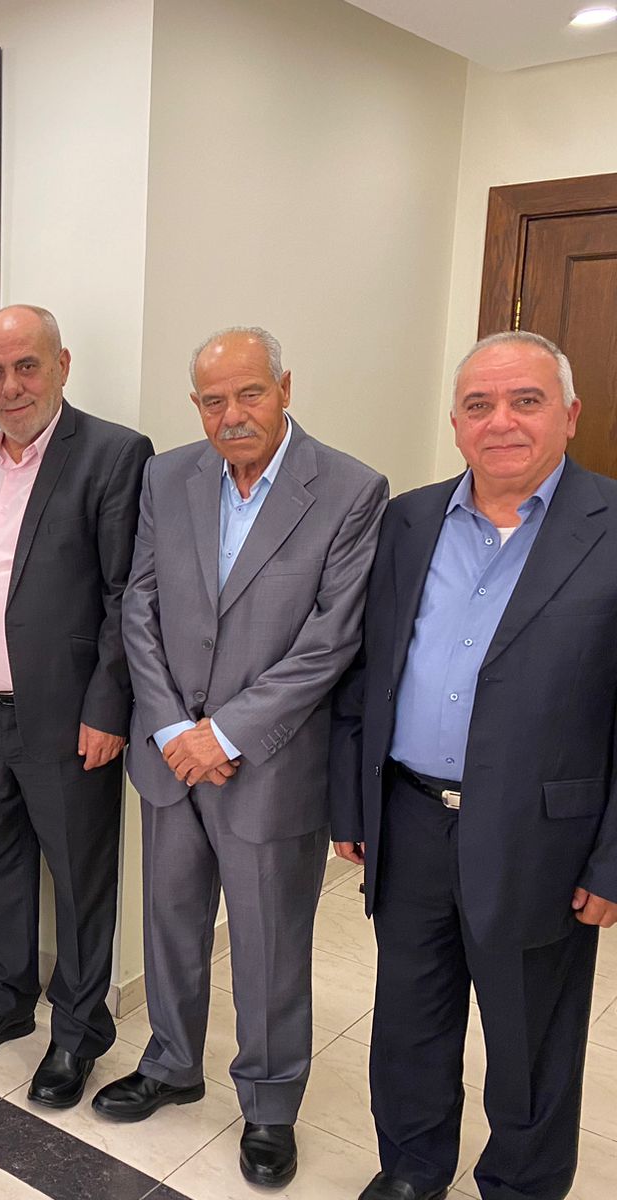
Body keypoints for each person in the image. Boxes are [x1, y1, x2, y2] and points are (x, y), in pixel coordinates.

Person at [96, 327, 387, 1189]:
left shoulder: (350, 490)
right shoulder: (167, 476)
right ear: (197, 407)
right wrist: (169, 730)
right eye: (214, 400)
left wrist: (220, 734)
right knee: (170, 922)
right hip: (170, 758)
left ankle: (269, 1102)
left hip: (269, 764)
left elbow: (331, 640)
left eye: (250, 393)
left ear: (285, 388)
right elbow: (140, 606)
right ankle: (172, 1062)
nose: (233, 415)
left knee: (268, 945)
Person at [330, 331, 617, 1200]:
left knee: (530, 1039)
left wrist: (612, 859)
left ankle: (521, 1187)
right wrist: (353, 805)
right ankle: (412, 1170)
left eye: (527, 401)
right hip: (410, 816)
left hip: (543, 834)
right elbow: (367, 670)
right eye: (479, 405)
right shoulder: (409, 519)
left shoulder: (610, 526)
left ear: (570, 414)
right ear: (454, 422)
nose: (502, 422)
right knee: (409, 1021)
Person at [0, 306, 152, 1108]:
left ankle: (80, 1030)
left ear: (62, 365)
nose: (11, 386)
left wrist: (109, 707)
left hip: (68, 716)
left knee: (80, 878)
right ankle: (7, 996)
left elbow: (127, 595)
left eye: (27, 366)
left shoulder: (113, 454)